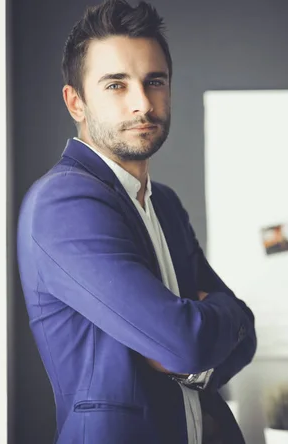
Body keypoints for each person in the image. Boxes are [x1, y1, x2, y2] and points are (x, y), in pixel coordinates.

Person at [16, 0, 257, 443]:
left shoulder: (164, 204)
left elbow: (242, 342)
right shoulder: (63, 202)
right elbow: (183, 343)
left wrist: (225, 322)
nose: (142, 103)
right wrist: (224, 317)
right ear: (76, 102)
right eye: (116, 85)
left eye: (155, 81)